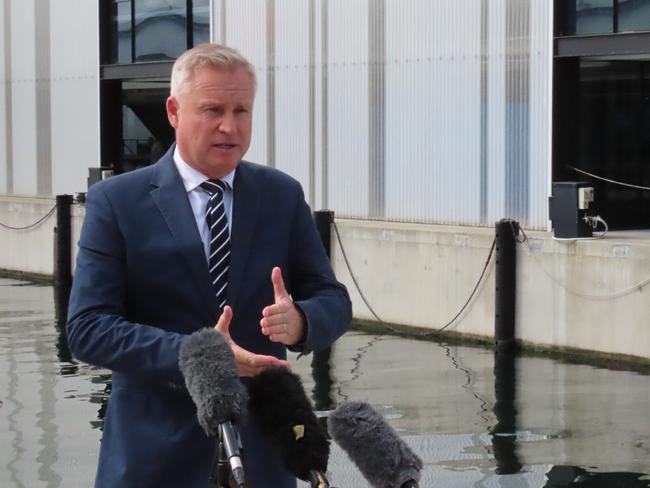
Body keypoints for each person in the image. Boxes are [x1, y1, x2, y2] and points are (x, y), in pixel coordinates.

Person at [66, 43, 352, 488]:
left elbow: (333, 300)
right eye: (213, 109)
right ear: (174, 111)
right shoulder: (117, 202)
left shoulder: (281, 194)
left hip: (265, 455)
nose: (229, 126)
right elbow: (87, 328)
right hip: (153, 458)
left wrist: (301, 321)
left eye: (242, 110)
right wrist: (200, 356)